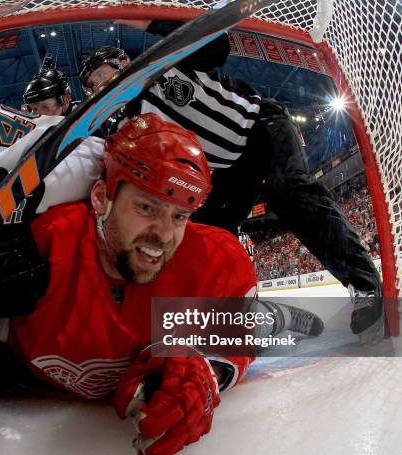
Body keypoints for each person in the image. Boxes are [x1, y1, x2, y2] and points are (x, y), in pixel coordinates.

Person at [0, 114, 293, 455]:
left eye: (179, 215)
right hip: (13, 381)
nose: (164, 234)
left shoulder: (212, 258)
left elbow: (252, 325)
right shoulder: (51, 236)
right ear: (100, 196)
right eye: (146, 208)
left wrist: (206, 370)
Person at [79, 24, 383, 343]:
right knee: (204, 240)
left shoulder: (161, 65)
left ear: (122, 63)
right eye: (92, 85)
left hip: (260, 130)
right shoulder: (126, 131)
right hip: (222, 176)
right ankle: (251, 319)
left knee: (290, 193)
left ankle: (364, 284)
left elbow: (217, 47)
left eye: (103, 75)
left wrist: (153, 23)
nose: (100, 86)